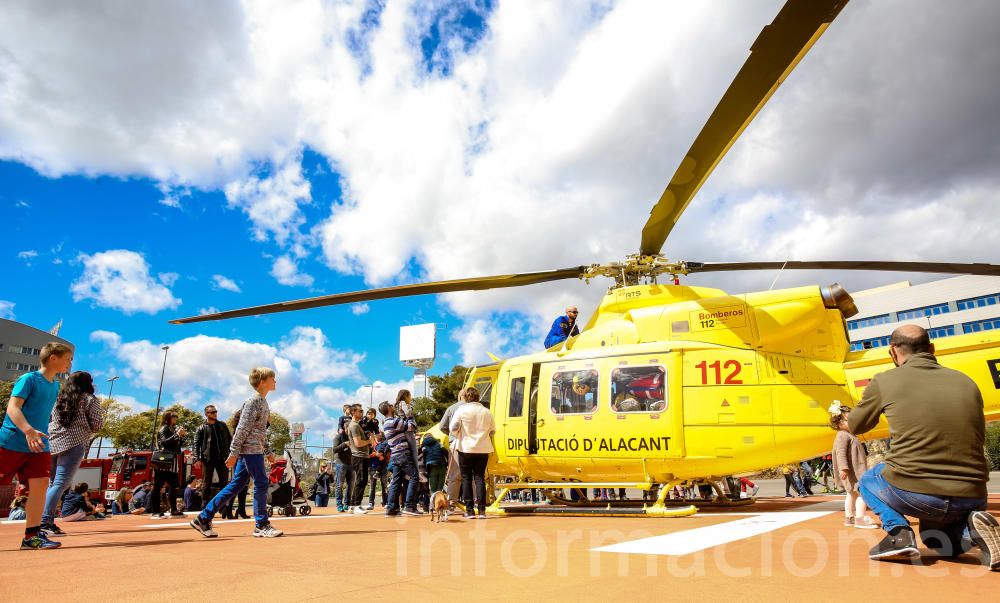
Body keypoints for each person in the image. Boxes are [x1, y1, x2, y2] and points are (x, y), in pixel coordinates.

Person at [850, 324, 1000, 568]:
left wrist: (839, 419)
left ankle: (898, 534)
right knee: (938, 543)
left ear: (892, 352)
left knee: (868, 479)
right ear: (931, 348)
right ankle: (971, 528)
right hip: (973, 494)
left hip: (919, 494)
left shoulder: (885, 381)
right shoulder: (966, 381)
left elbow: (856, 426)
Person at [190, 367, 283, 538]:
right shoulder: (253, 402)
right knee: (261, 483)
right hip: (249, 451)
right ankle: (261, 525)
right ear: (263, 382)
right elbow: (242, 428)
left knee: (236, 485)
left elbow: (260, 432)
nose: (275, 381)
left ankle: (203, 518)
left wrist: (268, 451)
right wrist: (234, 452)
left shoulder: (263, 402)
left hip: (253, 450)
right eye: (273, 378)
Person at [0, 341, 74, 550]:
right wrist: (28, 430)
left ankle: (32, 536)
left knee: (41, 484)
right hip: (12, 441)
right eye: (67, 359)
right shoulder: (28, 379)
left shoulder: (55, 385)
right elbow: (13, 408)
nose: (69, 363)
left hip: (39, 444)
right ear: (53, 358)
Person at [40, 371, 104, 536]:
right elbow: (97, 424)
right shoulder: (89, 399)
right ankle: (45, 522)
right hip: (74, 443)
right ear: (88, 383)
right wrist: (85, 429)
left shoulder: (59, 400)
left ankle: (43, 520)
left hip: (53, 443)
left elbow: (51, 419)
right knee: (61, 484)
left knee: (53, 483)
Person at [449, 386, 496, 518]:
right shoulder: (487, 411)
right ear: (478, 397)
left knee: (466, 478)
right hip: (483, 448)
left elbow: (454, 427)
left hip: (465, 448)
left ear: (467, 397)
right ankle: (482, 510)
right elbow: (492, 431)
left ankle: (469, 510)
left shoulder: (462, 410)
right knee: (479, 478)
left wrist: (458, 432)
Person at [830, 406, 876, 529]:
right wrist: (843, 468)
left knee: (851, 494)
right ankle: (860, 518)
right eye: (849, 421)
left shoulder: (849, 435)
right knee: (862, 494)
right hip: (853, 472)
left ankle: (849, 517)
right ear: (839, 423)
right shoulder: (842, 435)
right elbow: (840, 452)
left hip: (855, 471)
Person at [380, 400, 420, 516]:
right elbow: (412, 427)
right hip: (403, 454)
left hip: (395, 455)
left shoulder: (386, 423)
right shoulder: (393, 421)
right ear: (388, 409)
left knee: (396, 481)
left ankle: (391, 508)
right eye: (391, 406)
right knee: (414, 477)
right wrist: (410, 415)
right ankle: (409, 506)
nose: (393, 406)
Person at [148, 411, 185, 519]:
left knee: (174, 486)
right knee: (158, 486)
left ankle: (173, 510)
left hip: (171, 461)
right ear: (167, 418)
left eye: (176, 416)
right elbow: (164, 443)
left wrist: (180, 437)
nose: (176, 418)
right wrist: (177, 434)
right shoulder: (164, 428)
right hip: (163, 462)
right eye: (174, 416)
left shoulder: (170, 429)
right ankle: (155, 511)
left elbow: (177, 446)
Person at [194, 404, 232, 508]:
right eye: (212, 412)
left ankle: (224, 505)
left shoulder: (222, 425)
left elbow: (230, 440)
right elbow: (196, 444)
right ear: (206, 414)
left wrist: (232, 454)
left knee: (224, 483)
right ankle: (205, 505)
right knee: (207, 483)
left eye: (216, 412)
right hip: (208, 459)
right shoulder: (201, 428)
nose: (215, 414)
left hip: (222, 458)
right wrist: (197, 458)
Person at [438, 395, 465, 505]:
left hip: (455, 442)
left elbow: (442, 426)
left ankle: (451, 500)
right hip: (473, 443)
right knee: (473, 474)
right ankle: (477, 499)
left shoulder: (452, 408)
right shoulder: (477, 408)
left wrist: (450, 434)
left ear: (459, 396)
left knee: (454, 473)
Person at [347, 404, 372, 514]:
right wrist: (369, 441)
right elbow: (358, 443)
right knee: (362, 480)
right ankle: (356, 505)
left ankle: (353, 506)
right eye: (360, 411)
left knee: (360, 480)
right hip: (359, 457)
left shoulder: (356, 425)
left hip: (361, 456)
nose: (362, 413)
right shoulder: (354, 426)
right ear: (354, 413)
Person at [331, 430, 352, 512]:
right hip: (341, 464)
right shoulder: (338, 437)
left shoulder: (351, 437)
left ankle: (347, 503)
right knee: (339, 485)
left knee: (350, 485)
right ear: (345, 428)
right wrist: (344, 444)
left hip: (351, 464)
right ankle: (339, 504)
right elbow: (334, 449)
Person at [368, 435, 389, 509]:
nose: (373, 439)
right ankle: (371, 503)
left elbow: (384, 454)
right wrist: (374, 454)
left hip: (383, 466)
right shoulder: (368, 446)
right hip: (372, 467)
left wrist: (380, 455)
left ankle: (385, 502)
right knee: (372, 486)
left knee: (384, 485)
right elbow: (367, 455)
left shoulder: (383, 444)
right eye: (371, 438)